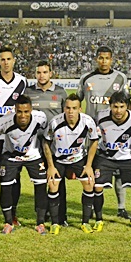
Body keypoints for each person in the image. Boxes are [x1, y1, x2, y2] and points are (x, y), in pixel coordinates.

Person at [76, 46, 131, 219]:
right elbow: (76, 102)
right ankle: (92, 205)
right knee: (91, 169)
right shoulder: (86, 79)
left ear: (112, 59)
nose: (104, 61)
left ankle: (121, 207)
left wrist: (129, 128)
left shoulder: (120, 78)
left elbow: (128, 104)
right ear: (96, 59)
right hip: (92, 133)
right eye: (101, 58)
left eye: (107, 58)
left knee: (118, 170)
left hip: (114, 132)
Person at [42, 94, 99, 234]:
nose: (70, 111)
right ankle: (55, 223)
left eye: (74, 108)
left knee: (89, 183)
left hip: (78, 159)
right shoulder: (55, 122)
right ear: (63, 108)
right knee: (53, 185)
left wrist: (89, 165)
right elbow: (46, 142)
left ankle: (85, 222)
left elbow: (94, 141)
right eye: (67, 108)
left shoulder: (88, 122)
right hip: (59, 160)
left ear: (80, 109)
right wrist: (51, 166)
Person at [92, 91, 131, 231]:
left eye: (122, 106)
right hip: (105, 157)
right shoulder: (100, 116)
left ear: (127, 106)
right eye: (115, 106)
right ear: (110, 106)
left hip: (128, 158)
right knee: (97, 187)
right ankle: (99, 220)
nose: (118, 110)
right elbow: (92, 135)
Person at [0, 47, 27, 225]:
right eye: (2, 59)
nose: (6, 62)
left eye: (8, 59)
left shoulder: (22, 81)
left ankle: (13, 212)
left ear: (14, 61)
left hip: (14, 139)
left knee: (13, 177)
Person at [0, 95, 48, 235]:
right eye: (19, 111)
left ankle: (40, 223)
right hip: (11, 157)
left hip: (33, 156)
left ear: (31, 110)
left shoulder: (40, 118)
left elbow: (44, 133)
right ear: (15, 110)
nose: (23, 115)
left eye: (26, 111)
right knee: (5, 187)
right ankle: (8, 222)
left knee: (41, 186)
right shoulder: (3, 122)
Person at [24, 60, 69, 225]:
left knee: (58, 180)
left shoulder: (61, 92)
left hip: (56, 145)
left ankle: (61, 216)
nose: (41, 75)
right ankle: (42, 215)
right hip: (35, 145)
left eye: (45, 72)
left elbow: (67, 117)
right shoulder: (28, 92)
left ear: (51, 73)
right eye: (38, 72)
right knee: (41, 181)